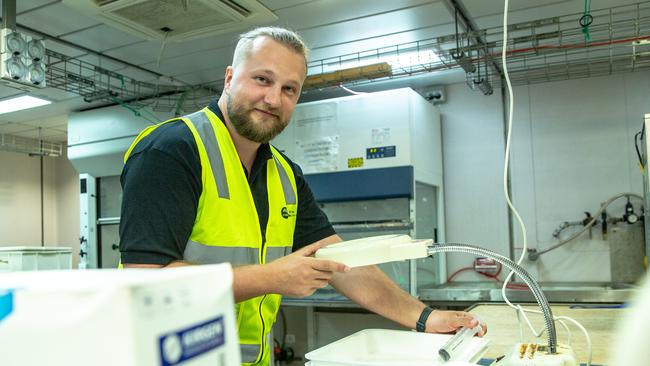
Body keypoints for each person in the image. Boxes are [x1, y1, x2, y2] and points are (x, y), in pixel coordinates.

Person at [119, 26, 486, 365]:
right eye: (262, 79)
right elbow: (146, 280)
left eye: (289, 89)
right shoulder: (172, 151)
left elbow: (341, 263)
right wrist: (271, 277)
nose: (273, 98)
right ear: (230, 78)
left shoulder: (284, 173)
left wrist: (425, 317)